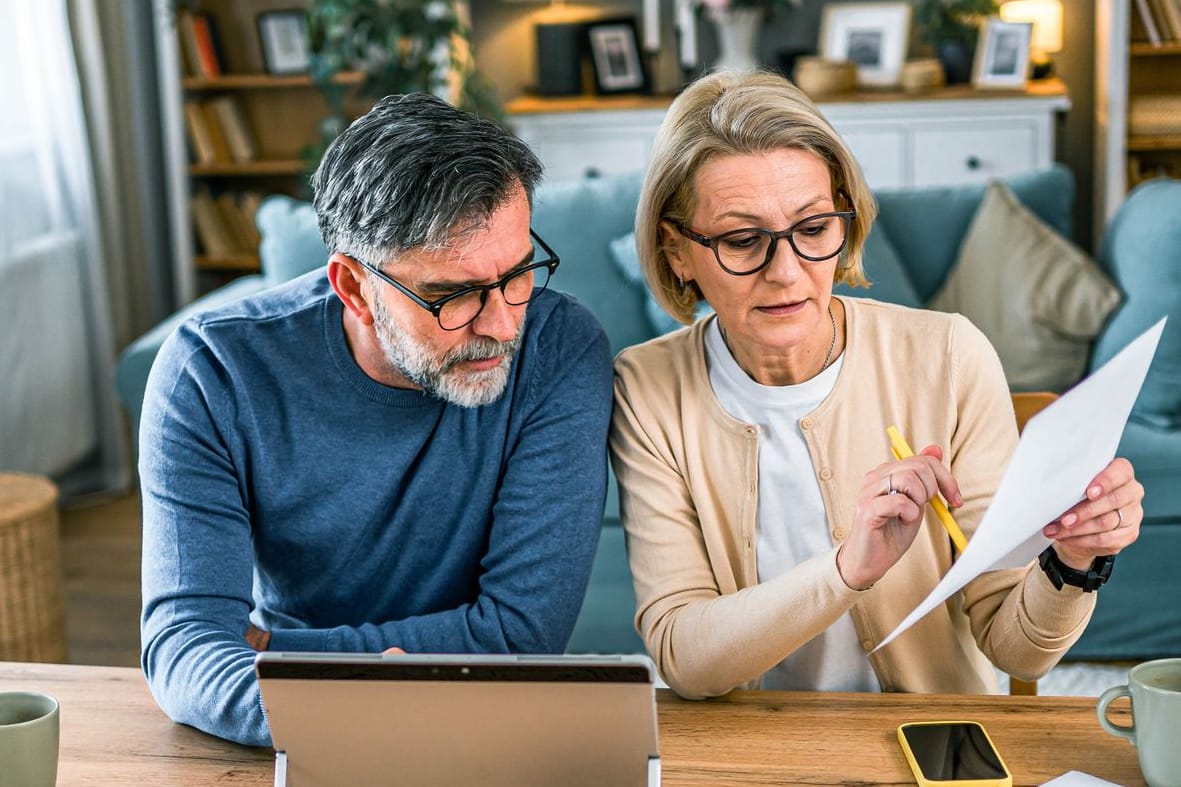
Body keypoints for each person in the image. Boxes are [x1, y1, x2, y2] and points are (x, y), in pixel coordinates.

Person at [609, 71, 1144, 699]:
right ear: (676, 251)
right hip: (749, 751)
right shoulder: (646, 388)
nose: (787, 273)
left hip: (929, 742)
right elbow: (684, 658)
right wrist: (845, 571)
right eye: (743, 240)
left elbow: (1018, 650)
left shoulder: (948, 355)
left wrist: (1075, 560)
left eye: (812, 230)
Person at [140, 93, 613, 746]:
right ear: (353, 287)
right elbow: (183, 643)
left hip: (482, 724)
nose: (503, 324)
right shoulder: (211, 371)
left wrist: (282, 651)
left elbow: (518, 635)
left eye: (518, 274)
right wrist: (347, 704)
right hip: (289, 741)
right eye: (451, 296)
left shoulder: (561, 349)